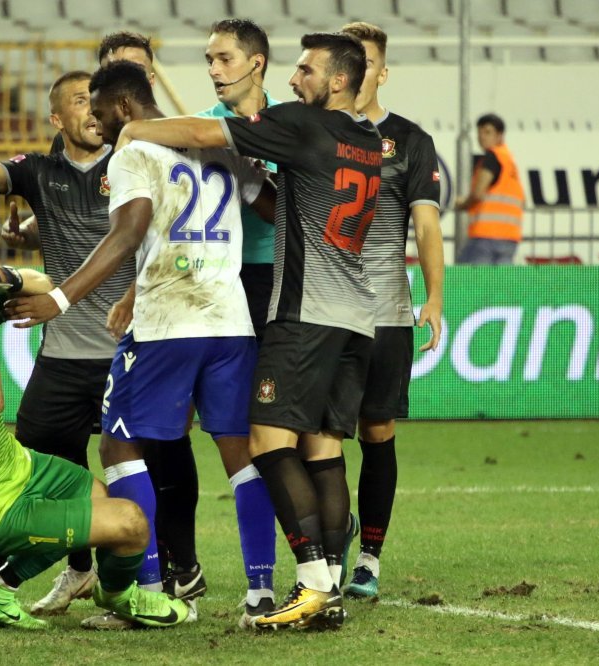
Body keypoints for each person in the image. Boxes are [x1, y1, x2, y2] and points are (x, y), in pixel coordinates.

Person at [111, 32, 382, 631]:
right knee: (324, 449)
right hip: (357, 314)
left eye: (306, 70)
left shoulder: (302, 124)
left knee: (266, 442)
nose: (294, 79)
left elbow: (205, 133)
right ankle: (329, 586)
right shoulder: (368, 139)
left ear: (338, 81)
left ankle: (311, 584)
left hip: (304, 313)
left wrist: (132, 129)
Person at [4, 60, 278, 629]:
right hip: (229, 324)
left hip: (168, 326)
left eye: (103, 111)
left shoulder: (133, 152)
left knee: (119, 450)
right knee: (240, 455)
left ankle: (146, 593)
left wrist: (59, 299)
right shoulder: (217, 144)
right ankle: (261, 592)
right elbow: (276, 209)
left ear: (125, 106)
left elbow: (127, 232)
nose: (101, 124)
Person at [0, 235, 189, 630]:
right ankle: (119, 597)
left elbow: (44, 286)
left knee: (100, 498)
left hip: (23, 469)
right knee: (130, 522)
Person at [0, 70, 138, 618]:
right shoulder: (39, 171)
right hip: (62, 357)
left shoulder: (130, 164)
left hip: (127, 352)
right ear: (58, 118)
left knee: (138, 469)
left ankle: (152, 577)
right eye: (81, 102)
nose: (93, 111)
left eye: (96, 101)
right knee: (38, 471)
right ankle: (62, 569)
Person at [339, 22, 444, 600]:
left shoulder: (408, 141)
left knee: (376, 429)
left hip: (384, 312)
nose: (358, 70)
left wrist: (434, 297)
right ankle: (335, 526)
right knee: (312, 436)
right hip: (320, 313)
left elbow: (425, 226)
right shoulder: (314, 131)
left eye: (368, 61)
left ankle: (369, 559)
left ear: (382, 72)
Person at [196, 19, 280, 344]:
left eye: (225, 59)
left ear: (256, 63)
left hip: (278, 272)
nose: (213, 70)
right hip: (214, 274)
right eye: (209, 60)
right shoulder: (197, 129)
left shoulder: (292, 124)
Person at [455, 113, 525, 265]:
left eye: (487, 132)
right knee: (500, 279)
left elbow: (478, 193)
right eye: (479, 132)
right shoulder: (509, 161)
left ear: (499, 135)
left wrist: (462, 204)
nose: (481, 137)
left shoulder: (492, 157)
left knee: (467, 276)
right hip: (509, 238)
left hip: (485, 236)